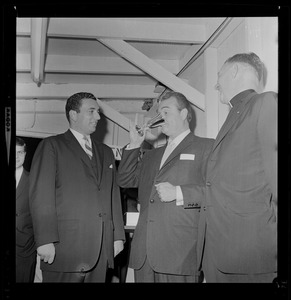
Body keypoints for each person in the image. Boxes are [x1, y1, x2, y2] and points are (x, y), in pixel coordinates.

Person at [117, 91, 214, 282]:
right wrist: (135, 145)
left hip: (180, 254)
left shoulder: (206, 147)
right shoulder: (151, 155)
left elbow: (218, 193)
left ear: (184, 114)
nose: (160, 118)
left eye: (166, 112)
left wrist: (179, 192)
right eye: (159, 113)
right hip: (144, 255)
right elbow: (125, 180)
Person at [197, 52, 277, 282]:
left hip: (251, 255)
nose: (215, 83)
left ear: (234, 72)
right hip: (219, 254)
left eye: (219, 75)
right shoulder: (237, 112)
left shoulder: (265, 103)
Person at [29, 92, 125, 282]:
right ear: (73, 114)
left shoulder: (106, 152)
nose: (98, 117)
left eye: (98, 112)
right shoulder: (51, 146)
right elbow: (41, 196)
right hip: (63, 250)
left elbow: (113, 195)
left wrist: (117, 236)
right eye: (91, 111)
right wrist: (45, 239)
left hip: (100, 250)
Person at [16, 137, 36, 282]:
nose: (16, 157)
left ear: (25, 154)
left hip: (25, 250)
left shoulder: (34, 181)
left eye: (20, 152)